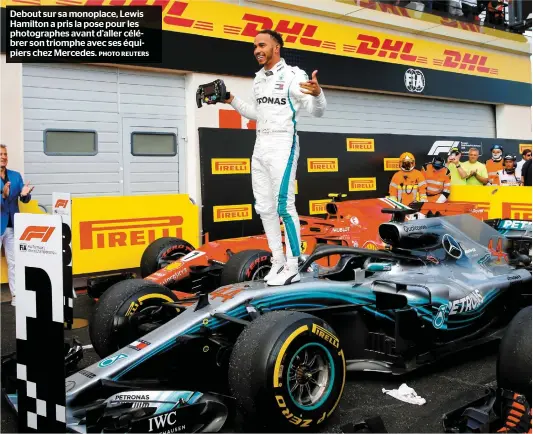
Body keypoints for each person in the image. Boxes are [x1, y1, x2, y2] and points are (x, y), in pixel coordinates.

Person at [223, 29, 327, 286]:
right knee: (265, 208)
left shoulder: (294, 75)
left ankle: (294, 264)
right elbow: (255, 112)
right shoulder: (258, 79)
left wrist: (319, 94)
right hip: (260, 146)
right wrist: (230, 99)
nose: (257, 50)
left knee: (283, 205)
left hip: (283, 143)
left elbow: (317, 111)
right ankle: (278, 261)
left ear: (276, 47)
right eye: (255, 47)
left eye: (261, 45)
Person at [0, 144, 34, 306]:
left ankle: (16, 295)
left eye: (5, 154)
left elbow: (24, 197)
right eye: (0, 154)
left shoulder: (15, 176)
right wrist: (3, 195)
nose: (3, 157)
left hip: (12, 226)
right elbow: (4, 198)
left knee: (14, 262)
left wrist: (25, 194)